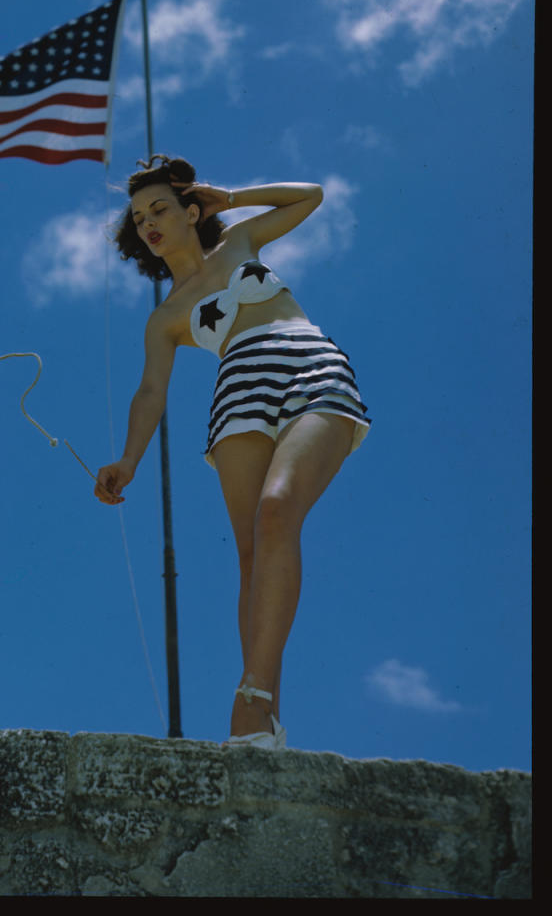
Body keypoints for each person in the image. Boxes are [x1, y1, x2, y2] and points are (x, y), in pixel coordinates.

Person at [94, 155, 370, 748]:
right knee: (250, 554)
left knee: (279, 509)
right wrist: (128, 460)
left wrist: (232, 195)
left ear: (192, 212)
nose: (148, 222)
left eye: (160, 207)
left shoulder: (239, 240)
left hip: (309, 366)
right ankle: (263, 716)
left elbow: (310, 194)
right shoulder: (165, 317)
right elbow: (150, 391)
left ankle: (252, 698)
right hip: (238, 391)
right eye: (139, 216)